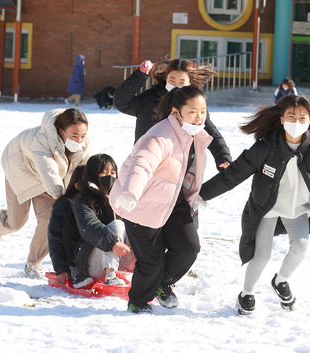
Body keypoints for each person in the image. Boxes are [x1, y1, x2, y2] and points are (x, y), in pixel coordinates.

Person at [199, 95, 310, 314]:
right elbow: (234, 174)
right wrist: (203, 194)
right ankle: (246, 293)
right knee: (262, 255)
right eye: (291, 116)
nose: (296, 122)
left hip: (297, 207)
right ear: (281, 119)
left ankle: (280, 281)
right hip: (267, 208)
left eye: (302, 118)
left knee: (301, 246)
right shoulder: (266, 147)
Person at [110, 86, 212, 313]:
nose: (199, 116)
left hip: (173, 201)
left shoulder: (195, 135)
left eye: (203, 111)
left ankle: (163, 284)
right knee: (151, 261)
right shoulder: (160, 136)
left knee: (188, 248)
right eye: (192, 111)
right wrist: (131, 193)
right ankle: (138, 301)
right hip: (140, 203)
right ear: (176, 112)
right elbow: (141, 164)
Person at [0, 108, 92, 279]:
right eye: (74, 135)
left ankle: (33, 265)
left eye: (82, 136)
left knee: (51, 219)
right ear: (61, 131)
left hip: (48, 177)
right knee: (16, 223)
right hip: (20, 169)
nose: (79, 141)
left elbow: (86, 170)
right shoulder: (42, 139)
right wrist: (59, 194)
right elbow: (47, 169)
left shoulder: (85, 144)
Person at [113, 57, 232, 171]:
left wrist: (223, 158)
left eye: (181, 82)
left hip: (179, 166)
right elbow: (122, 102)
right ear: (166, 78)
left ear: (189, 82)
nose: (176, 85)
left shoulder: (194, 104)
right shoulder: (150, 98)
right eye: (172, 80)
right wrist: (140, 75)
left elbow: (211, 133)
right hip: (147, 161)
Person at [70, 154, 134, 288]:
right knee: (117, 225)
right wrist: (113, 244)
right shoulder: (83, 200)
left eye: (112, 173)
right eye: (103, 173)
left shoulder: (120, 197)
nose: (109, 177)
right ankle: (110, 277)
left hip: (122, 257)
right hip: (92, 262)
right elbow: (89, 226)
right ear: (93, 174)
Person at [47, 165, 85, 285]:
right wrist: (61, 268)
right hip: (75, 259)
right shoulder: (66, 205)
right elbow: (55, 237)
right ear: (78, 185)